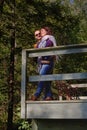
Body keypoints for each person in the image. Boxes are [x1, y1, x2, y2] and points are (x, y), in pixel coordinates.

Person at [31, 27, 57, 101]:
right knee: (46, 80)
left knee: (41, 77)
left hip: (48, 63)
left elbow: (47, 47)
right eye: (37, 34)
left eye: (41, 31)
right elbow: (35, 56)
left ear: (47, 31)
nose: (40, 33)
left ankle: (37, 94)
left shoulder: (49, 39)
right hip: (42, 64)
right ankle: (48, 96)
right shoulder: (39, 43)